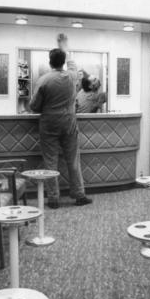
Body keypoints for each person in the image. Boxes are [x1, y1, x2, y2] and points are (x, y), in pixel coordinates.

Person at [29, 34, 92, 208]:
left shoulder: (43, 80)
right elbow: (73, 64)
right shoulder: (72, 76)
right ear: (63, 62)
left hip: (49, 123)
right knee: (73, 160)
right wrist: (64, 46)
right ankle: (79, 195)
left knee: (50, 161)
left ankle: (53, 198)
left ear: (50, 62)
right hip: (69, 122)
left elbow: (34, 106)